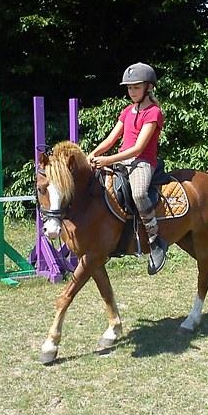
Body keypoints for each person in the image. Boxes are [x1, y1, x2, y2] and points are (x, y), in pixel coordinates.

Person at [88, 62, 168, 275]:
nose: (132, 92)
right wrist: (93, 155)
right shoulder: (127, 111)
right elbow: (111, 138)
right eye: (129, 88)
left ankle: (154, 239)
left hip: (142, 162)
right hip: (122, 160)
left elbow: (138, 148)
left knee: (140, 193)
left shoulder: (153, 113)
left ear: (148, 88)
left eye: (136, 87)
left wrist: (107, 160)